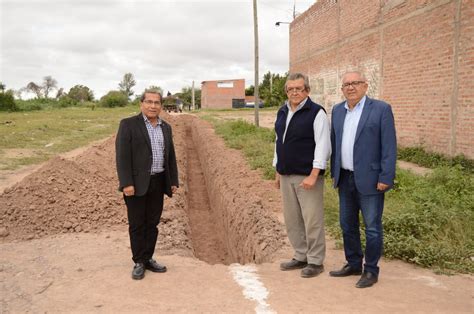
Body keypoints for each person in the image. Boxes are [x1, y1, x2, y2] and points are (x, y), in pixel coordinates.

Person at [329, 71, 397, 288]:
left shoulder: (381, 109)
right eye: (346, 84)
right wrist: (334, 172)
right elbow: (334, 143)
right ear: (342, 89)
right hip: (345, 177)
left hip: (371, 178)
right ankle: (354, 263)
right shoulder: (338, 111)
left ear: (365, 86)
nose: (350, 87)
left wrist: (386, 176)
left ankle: (371, 270)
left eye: (355, 83)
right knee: (347, 224)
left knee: (372, 227)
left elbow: (389, 146)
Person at [115, 89, 179, 280]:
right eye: (149, 102)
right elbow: (122, 156)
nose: (153, 106)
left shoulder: (165, 127)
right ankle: (138, 261)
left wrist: (173, 180)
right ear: (141, 104)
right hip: (136, 183)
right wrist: (126, 183)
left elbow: (171, 156)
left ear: (161, 106)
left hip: (158, 182)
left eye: (156, 103)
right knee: (137, 223)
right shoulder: (128, 125)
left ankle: (149, 257)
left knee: (152, 223)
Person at [273, 73, 331, 278]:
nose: (294, 92)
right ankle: (300, 255)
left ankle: (315, 261)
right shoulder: (282, 111)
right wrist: (277, 169)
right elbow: (278, 141)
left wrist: (314, 174)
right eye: (291, 89)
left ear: (307, 90)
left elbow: (323, 146)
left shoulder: (317, 113)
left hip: (307, 176)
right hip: (287, 173)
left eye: (299, 88)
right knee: (292, 219)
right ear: (286, 91)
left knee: (312, 218)